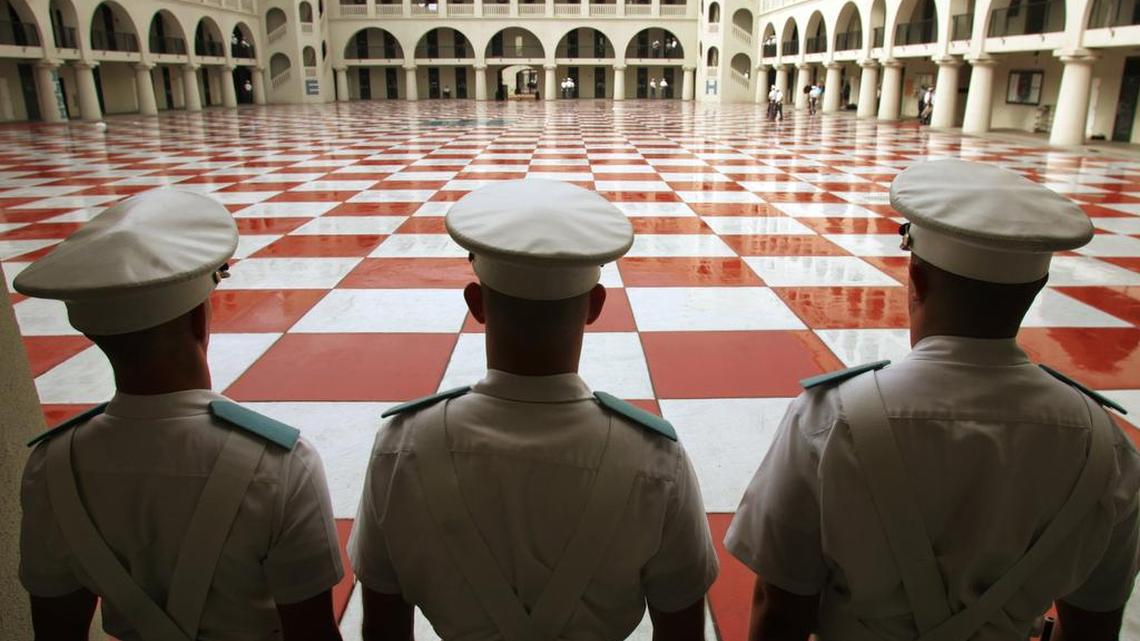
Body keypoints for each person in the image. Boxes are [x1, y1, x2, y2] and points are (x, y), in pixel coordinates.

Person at [726, 160, 1140, 641]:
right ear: (1038, 288)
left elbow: (779, 607)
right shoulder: (1106, 447)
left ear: (916, 279)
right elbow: (1095, 622)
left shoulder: (830, 418)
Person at [349, 179, 719, 641]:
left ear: (476, 304)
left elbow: (383, 627)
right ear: (595, 306)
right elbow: (682, 628)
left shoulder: (400, 448)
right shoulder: (656, 460)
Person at [15, 189, 345, 641]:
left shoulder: (51, 466)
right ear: (199, 320)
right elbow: (313, 632)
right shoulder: (280, 463)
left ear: (93, 332)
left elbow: (56, 628)